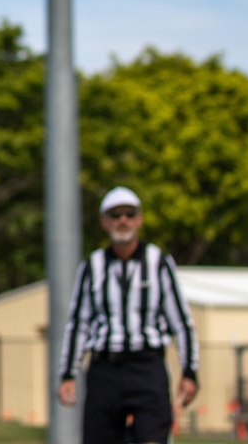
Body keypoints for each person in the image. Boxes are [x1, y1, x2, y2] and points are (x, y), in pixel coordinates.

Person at [57, 187, 199, 444]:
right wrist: (68, 374)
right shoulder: (93, 266)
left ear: (139, 219)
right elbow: (78, 324)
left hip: (147, 367)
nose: (123, 220)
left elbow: (182, 322)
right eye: (115, 214)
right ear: (104, 221)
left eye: (129, 214)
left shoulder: (159, 262)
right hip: (105, 369)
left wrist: (190, 372)